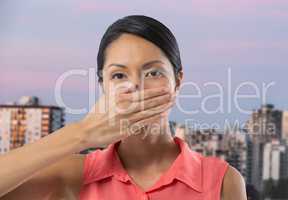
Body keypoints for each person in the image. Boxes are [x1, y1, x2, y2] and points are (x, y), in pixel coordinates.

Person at [0, 15, 247, 200]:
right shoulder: (72, 175)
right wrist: (82, 133)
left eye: (152, 72)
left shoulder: (223, 181)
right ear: (103, 85)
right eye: (118, 75)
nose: (135, 86)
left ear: (178, 81)